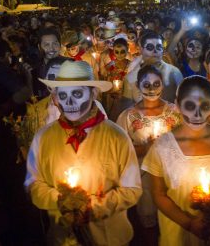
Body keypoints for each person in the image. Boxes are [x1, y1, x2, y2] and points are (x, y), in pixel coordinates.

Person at [25, 60, 142, 246]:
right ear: (55, 98)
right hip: (63, 239)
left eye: (77, 94)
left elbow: (132, 189)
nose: (69, 102)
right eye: (63, 95)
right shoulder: (43, 137)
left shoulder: (116, 137)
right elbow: (33, 183)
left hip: (108, 238)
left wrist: (91, 207)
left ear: (93, 93)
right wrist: (62, 202)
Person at [142, 75, 210, 245]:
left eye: (204, 106)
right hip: (178, 227)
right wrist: (189, 223)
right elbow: (159, 194)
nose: (197, 114)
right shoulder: (162, 146)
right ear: (177, 104)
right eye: (190, 105)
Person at [117, 65, 181, 246]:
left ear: (162, 85)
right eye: (147, 85)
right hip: (144, 178)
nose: (152, 89)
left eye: (156, 84)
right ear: (138, 85)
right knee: (149, 222)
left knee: (173, 219)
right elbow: (120, 151)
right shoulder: (128, 117)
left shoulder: (176, 112)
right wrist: (146, 149)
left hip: (173, 175)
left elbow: (187, 141)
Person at [120, 31, 183, 112]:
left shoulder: (174, 73)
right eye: (150, 47)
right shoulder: (131, 78)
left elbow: (182, 102)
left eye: (159, 47)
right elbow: (126, 109)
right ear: (141, 50)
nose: (155, 51)